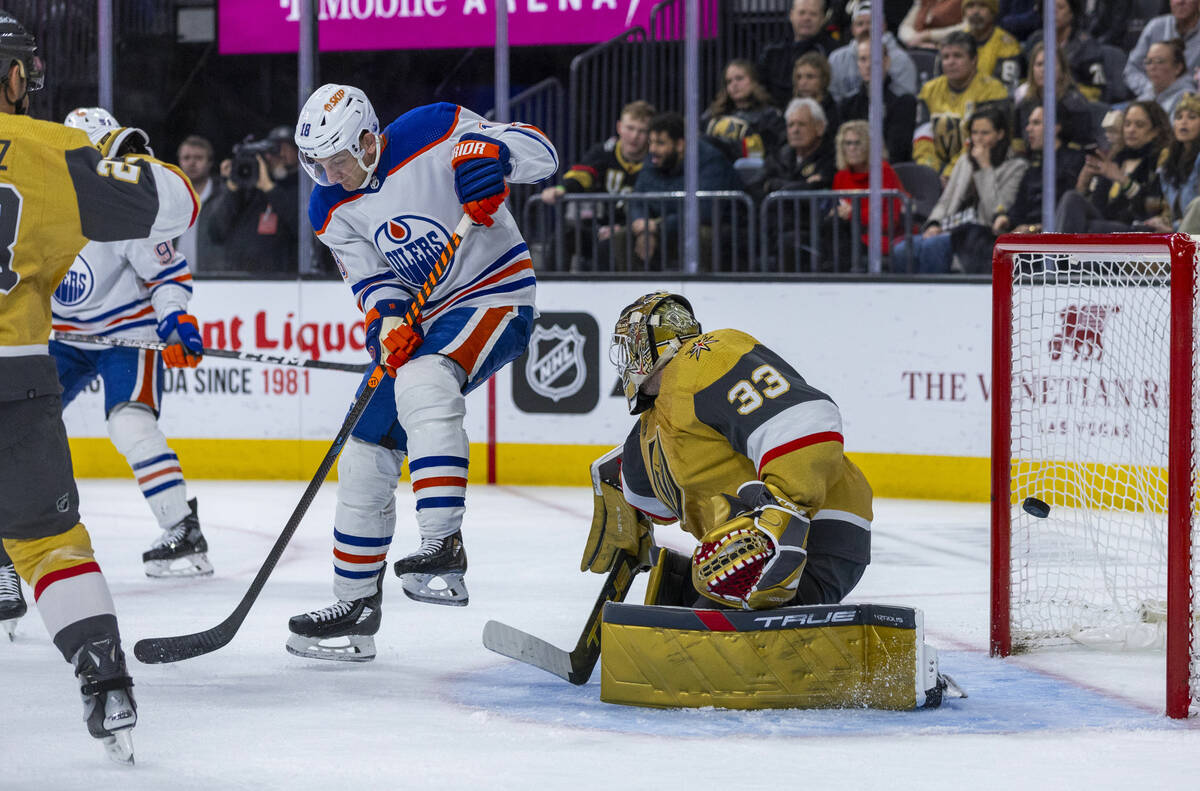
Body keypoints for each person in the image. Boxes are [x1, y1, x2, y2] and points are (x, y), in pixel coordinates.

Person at [285, 84, 557, 661]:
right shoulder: (328, 205)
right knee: (363, 447)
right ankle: (355, 607)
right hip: (427, 316)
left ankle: (442, 545)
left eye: (338, 159)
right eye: (319, 165)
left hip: (497, 297)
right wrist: (385, 323)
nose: (331, 174)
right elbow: (371, 282)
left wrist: (494, 161)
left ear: (366, 139)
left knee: (425, 380)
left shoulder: (435, 128)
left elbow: (543, 154)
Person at [0, 11, 198, 763]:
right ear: (13, 75)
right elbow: (176, 204)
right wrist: (127, 159)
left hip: (75, 351)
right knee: (50, 544)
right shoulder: (51, 151)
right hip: (18, 371)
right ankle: (104, 676)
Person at [592, 292, 872, 611]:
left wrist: (785, 509)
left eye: (629, 348)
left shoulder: (706, 356)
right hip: (757, 547)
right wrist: (622, 493)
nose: (626, 361)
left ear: (647, 345)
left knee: (694, 640)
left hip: (814, 529)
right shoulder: (650, 426)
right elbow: (657, 505)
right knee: (687, 603)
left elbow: (803, 417)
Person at [54, 107, 213, 579]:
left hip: (127, 333)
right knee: (22, 424)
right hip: (62, 335)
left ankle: (182, 528)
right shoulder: (41, 201)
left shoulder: (126, 206)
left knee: (130, 423)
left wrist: (174, 319)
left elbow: (167, 273)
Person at [894, 104, 1028, 273]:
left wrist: (984, 167)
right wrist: (934, 224)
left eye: (985, 133)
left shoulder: (1016, 167)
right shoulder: (964, 161)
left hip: (978, 234)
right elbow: (945, 201)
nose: (977, 139)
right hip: (949, 226)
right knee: (901, 250)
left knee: (933, 247)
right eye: (974, 133)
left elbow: (996, 213)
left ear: (1000, 134)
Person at [603, 111, 742, 270]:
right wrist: (642, 225)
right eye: (651, 142)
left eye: (661, 143)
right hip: (668, 228)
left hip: (720, 230)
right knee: (623, 236)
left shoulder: (711, 161)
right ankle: (639, 291)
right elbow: (637, 199)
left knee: (701, 235)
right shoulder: (654, 159)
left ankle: (704, 291)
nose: (653, 149)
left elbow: (704, 211)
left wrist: (657, 226)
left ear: (680, 145)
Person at [539, 100, 653, 269]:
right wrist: (561, 188)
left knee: (608, 247)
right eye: (630, 128)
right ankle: (548, 291)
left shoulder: (656, 159)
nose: (635, 136)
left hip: (636, 230)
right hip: (601, 227)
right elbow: (581, 175)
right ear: (619, 127)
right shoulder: (603, 152)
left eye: (642, 131)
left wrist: (623, 228)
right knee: (564, 237)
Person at [1055, 99, 1171, 232]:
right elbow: (1096, 207)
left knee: (1092, 228)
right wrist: (1083, 183)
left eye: (1139, 125)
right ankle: (1058, 251)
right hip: (1108, 225)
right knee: (1072, 198)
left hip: (1139, 227)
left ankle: (1057, 252)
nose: (1131, 130)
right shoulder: (1118, 158)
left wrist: (1123, 181)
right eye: (1127, 124)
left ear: (1155, 131)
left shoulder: (1160, 159)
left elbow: (1153, 207)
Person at [913, 30, 1010, 179]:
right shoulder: (929, 90)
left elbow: (981, 139)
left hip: (978, 168)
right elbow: (923, 133)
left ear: (974, 60)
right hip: (937, 168)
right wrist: (928, 168)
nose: (950, 62)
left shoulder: (993, 91)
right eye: (945, 57)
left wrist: (951, 172)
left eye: (958, 56)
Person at [206, 128, 299, 273]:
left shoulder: (301, 188)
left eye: (287, 149)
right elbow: (215, 232)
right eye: (274, 149)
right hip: (235, 278)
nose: (280, 154)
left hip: (282, 281)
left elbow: (300, 228)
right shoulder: (246, 188)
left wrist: (269, 188)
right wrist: (231, 186)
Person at [991, 104, 1086, 234]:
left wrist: (1034, 228)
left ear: (1055, 127)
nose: (1028, 128)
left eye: (1036, 123)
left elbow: (1068, 209)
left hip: (1055, 238)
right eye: (1029, 123)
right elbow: (1019, 207)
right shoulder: (1034, 166)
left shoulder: (1075, 161)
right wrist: (1005, 218)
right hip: (1024, 234)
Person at [829, 120, 908, 270]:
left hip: (879, 239)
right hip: (849, 237)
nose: (852, 148)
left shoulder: (883, 172)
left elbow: (888, 222)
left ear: (869, 146)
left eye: (857, 143)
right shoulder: (840, 177)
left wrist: (853, 213)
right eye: (847, 143)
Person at [838, 36, 918, 162]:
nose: (869, 65)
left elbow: (897, 151)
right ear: (858, 64)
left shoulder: (903, 102)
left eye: (874, 59)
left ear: (886, 62)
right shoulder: (847, 104)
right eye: (863, 59)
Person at [828, 0, 918, 102]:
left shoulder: (901, 60)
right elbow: (833, 98)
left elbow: (906, 100)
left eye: (871, 22)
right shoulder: (837, 58)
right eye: (860, 24)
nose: (865, 28)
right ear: (852, 29)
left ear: (883, 26)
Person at [1014, 42, 1097, 149]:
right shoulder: (1025, 103)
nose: (1043, 70)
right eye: (1039, 64)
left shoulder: (1075, 104)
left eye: (1049, 64)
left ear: (1062, 69)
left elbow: (1082, 146)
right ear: (1032, 69)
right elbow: (1020, 144)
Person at [1024, 0, 1108, 103]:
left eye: (1060, 7)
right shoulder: (1034, 41)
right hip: (1037, 103)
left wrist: (1066, 93)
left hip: (1074, 105)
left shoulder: (1086, 45)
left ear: (1072, 12)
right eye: (1049, 8)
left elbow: (1097, 90)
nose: (1054, 12)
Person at [758, 0, 840, 106]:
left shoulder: (833, 52)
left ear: (823, 19)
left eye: (813, 14)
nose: (807, 18)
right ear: (791, 15)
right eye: (802, 13)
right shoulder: (773, 51)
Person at [702, 59, 786, 160]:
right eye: (729, 81)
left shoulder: (770, 115)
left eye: (739, 78)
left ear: (754, 82)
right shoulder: (711, 113)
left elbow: (764, 149)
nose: (734, 84)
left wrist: (718, 144)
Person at [1123, 0, 1200, 100]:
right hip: (1151, 99)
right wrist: (1151, 89)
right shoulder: (1155, 27)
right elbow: (1132, 69)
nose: (1180, 2)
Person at [1145, 92, 1200, 232]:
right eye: (1178, 117)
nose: (1183, 122)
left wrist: (1173, 227)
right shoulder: (1167, 158)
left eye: (1192, 117)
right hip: (1178, 229)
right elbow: (1169, 209)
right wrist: (1164, 220)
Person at [763, 97, 838, 193]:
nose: (795, 130)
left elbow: (820, 188)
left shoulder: (832, 157)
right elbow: (760, 186)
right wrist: (804, 186)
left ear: (820, 127)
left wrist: (777, 186)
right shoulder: (778, 156)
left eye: (802, 124)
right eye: (791, 125)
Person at [174, 134, 225, 270]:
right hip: (174, 281)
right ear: (179, 161)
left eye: (198, 158)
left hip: (212, 281)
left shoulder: (223, 196)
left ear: (209, 162)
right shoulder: (168, 197)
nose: (192, 163)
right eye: (186, 158)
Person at [961, 0, 1024, 92]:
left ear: (993, 12)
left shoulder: (1008, 46)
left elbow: (1005, 89)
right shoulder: (957, 41)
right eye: (970, 6)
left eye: (982, 6)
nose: (975, 11)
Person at [1138, 38, 1198, 116]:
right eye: (1148, 62)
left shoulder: (1188, 99)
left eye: (1159, 61)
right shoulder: (1145, 97)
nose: (1152, 67)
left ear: (1178, 68)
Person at [792, 51, 841, 135]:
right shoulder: (791, 110)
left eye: (810, 77)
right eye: (799, 77)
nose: (803, 82)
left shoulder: (836, 113)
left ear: (824, 79)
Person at [899, 0, 965, 50]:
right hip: (918, 47)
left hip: (951, 48)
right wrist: (915, 41)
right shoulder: (923, 2)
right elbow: (905, 26)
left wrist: (929, 35)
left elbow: (967, 26)